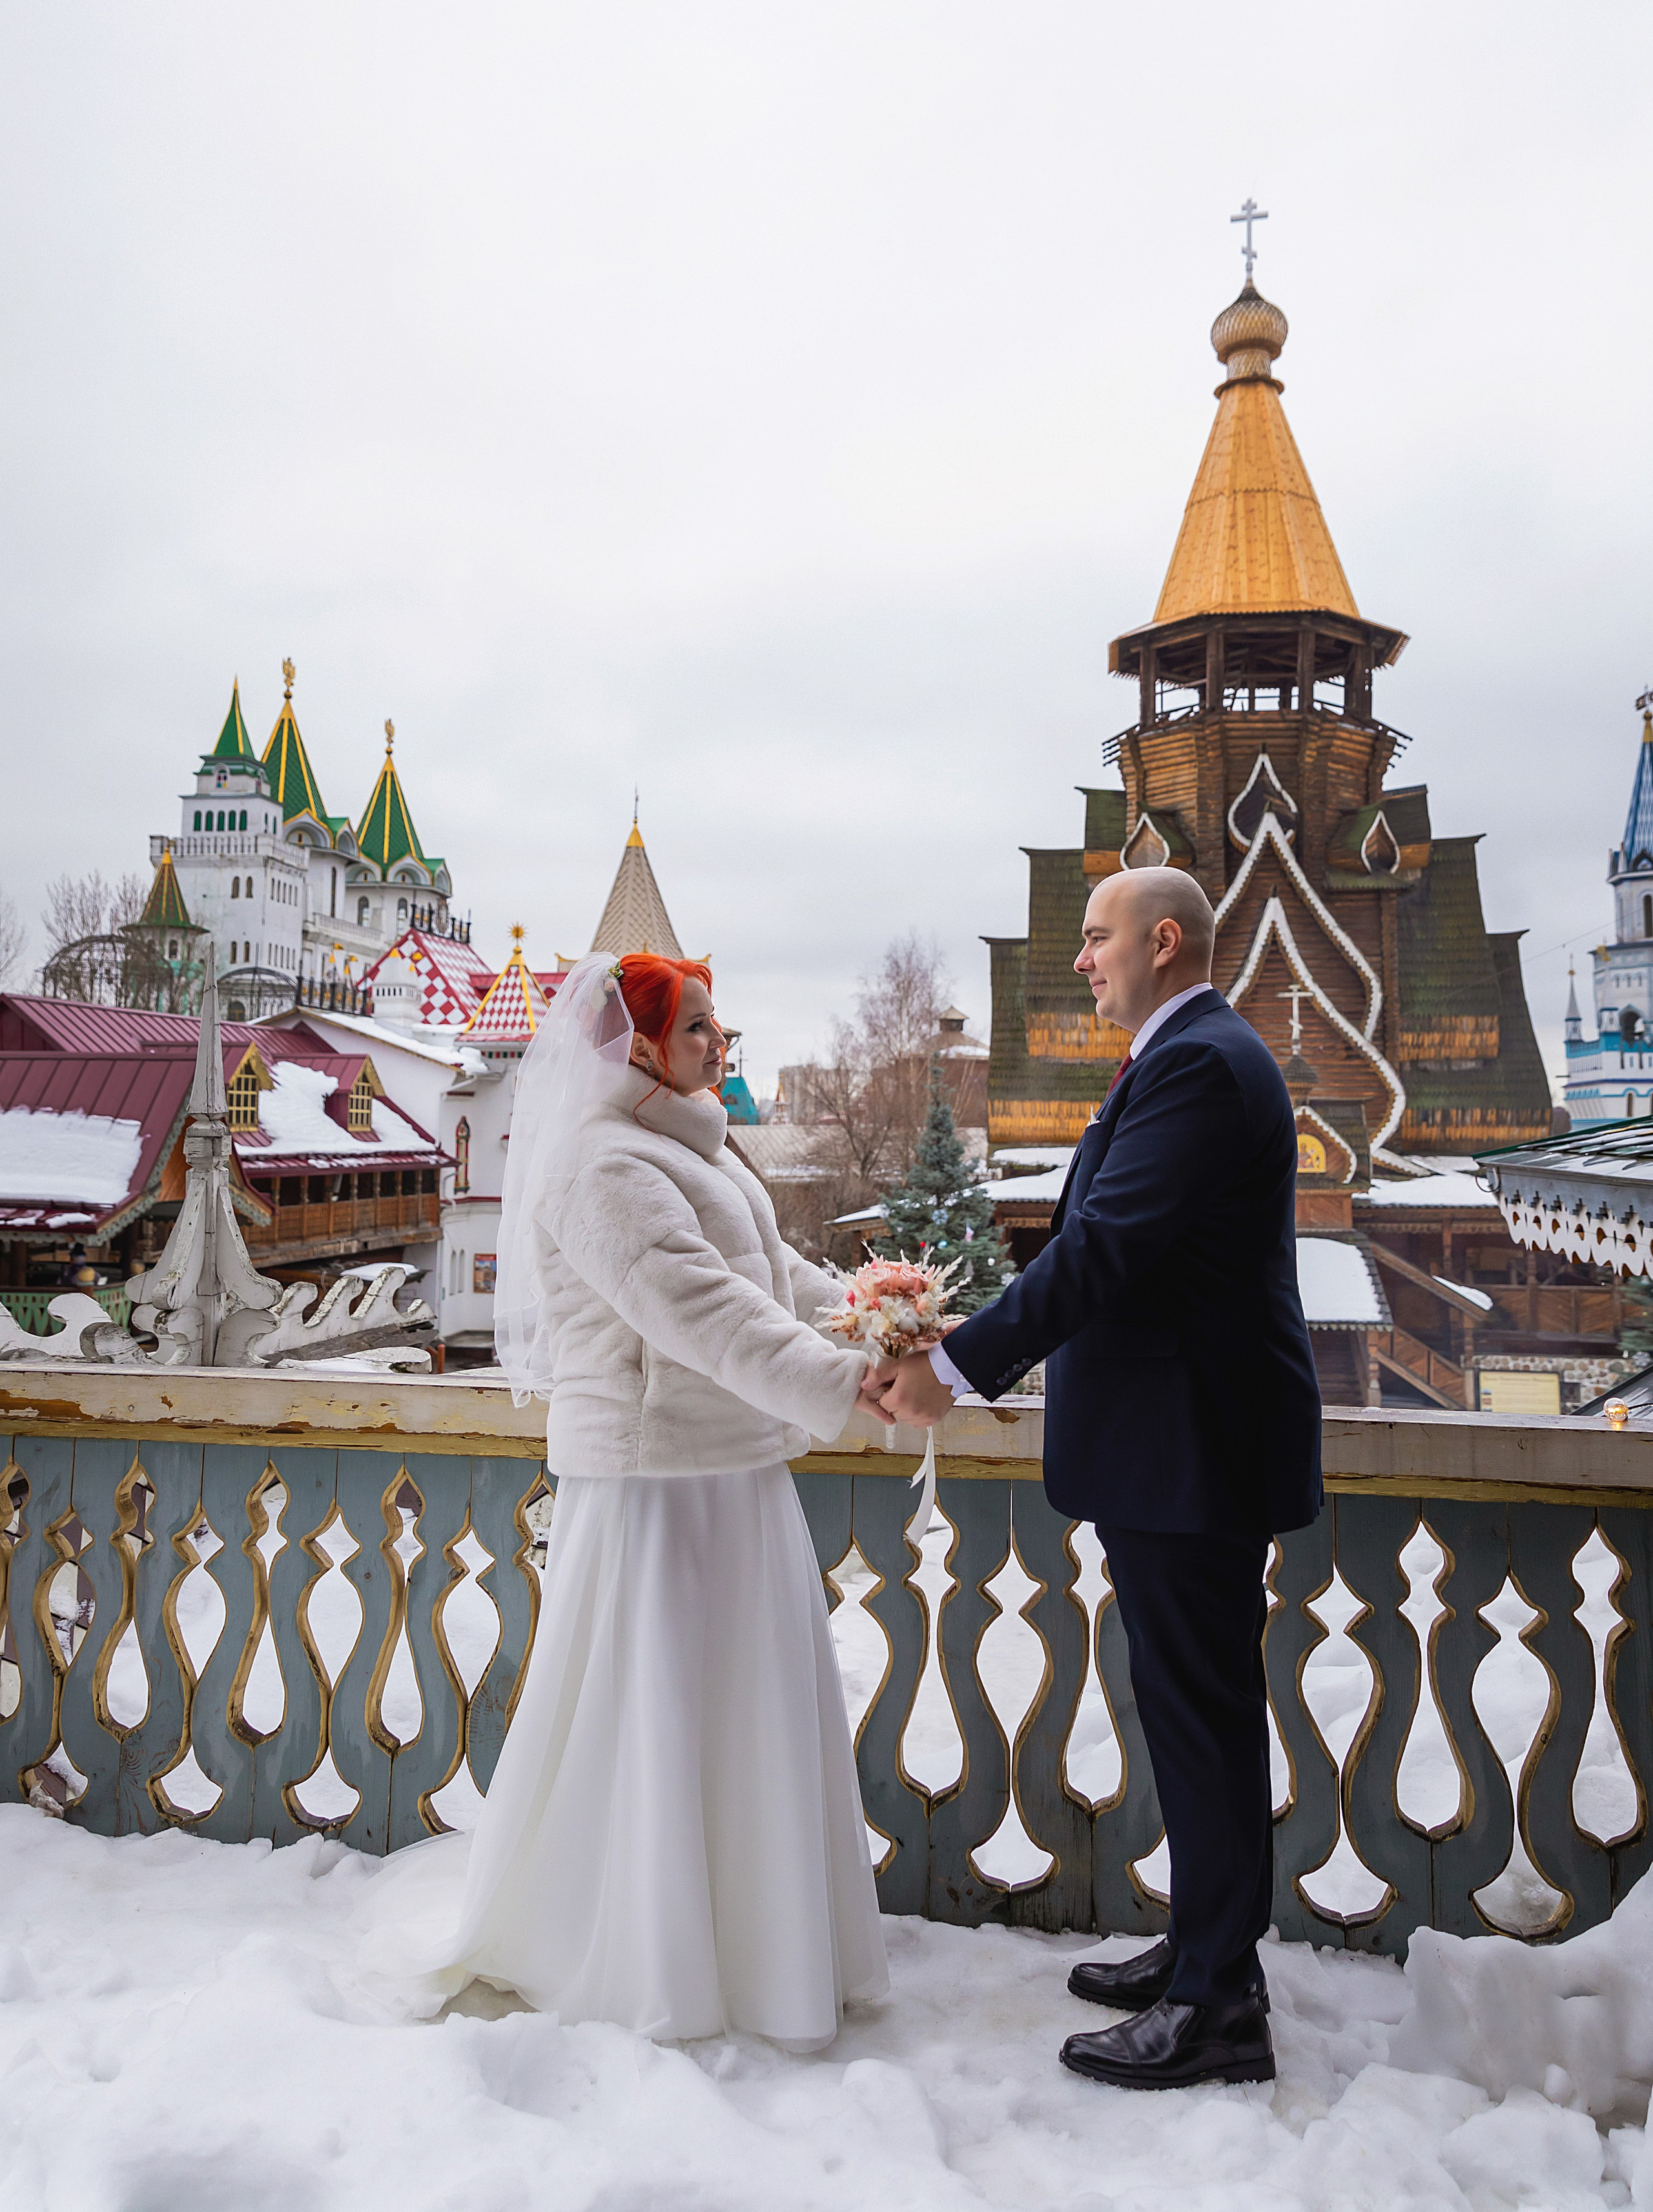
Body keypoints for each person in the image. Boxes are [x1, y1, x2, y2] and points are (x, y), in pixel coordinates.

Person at [362, 949, 887, 2048]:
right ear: (638, 1044)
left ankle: (761, 1947)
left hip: (733, 1472)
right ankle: (654, 1959)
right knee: (660, 1717)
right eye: (698, 1026)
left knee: (742, 1717)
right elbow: (694, 1307)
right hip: (655, 1486)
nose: (719, 1043)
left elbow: (775, 1280)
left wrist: (882, 1320)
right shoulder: (598, 1163)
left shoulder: (701, 1148)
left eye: (719, 1025)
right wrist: (847, 1382)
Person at [867, 867, 1320, 2091]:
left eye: (1095, 937)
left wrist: (951, 1368)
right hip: (1178, 1443)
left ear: (1163, 941)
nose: (1080, 959)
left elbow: (1104, 1245)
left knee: (1200, 1711)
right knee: (1191, 1705)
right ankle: (1206, 1949)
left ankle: (1219, 2002)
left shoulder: (1202, 1063)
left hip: (1193, 1446)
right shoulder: (1190, 1055)